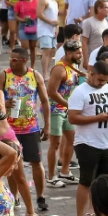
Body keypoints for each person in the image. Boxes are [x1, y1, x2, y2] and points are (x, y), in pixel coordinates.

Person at [0, 47, 49, 216]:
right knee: (11, 164)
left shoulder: (35, 76)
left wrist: (47, 125)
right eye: (10, 58)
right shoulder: (4, 75)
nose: (11, 61)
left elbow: (44, 100)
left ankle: (40, 197)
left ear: (25, 60)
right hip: (10, 128)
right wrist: (4, 102)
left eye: (15, 59)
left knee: (36, 162)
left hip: (31, 127)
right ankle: (14, 196)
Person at [68, 61, 108, 216]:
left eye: (105, 80)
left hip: (106, 141)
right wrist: (98, 117)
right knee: (86, 181)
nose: (102, 83)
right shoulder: (79, 92)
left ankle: (96, 212)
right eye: (100, 80)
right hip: (86, 142)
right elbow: (73, 118)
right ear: (91, 73)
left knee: (104, 181)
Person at [46, 40, 83, 188]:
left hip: (67, 109)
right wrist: (69, 105)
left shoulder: (74, 67)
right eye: (78, 52)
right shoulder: (59, 69)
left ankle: (65, 172)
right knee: (55, 143)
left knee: (72, 139)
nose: (80, 55)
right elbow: (51, 92)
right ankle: (51, 177)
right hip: (55, 110)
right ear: (68, 53)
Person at [37, 0, 59, 79]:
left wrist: (57, 28)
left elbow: (56, 17)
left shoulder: (54, 2)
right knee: (46, 51)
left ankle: (47, 71)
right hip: (44, 29)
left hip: (53, 30)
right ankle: (45, 73)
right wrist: (50, 22)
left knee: (52, 52)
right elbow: (39, 14)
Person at [82, 0, 108, 66]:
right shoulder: (88, 22)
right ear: (99, 9)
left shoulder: (106, 22)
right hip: (93, 59)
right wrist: (85, 60)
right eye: (107, 8)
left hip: (104, 59)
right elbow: (84, 43)